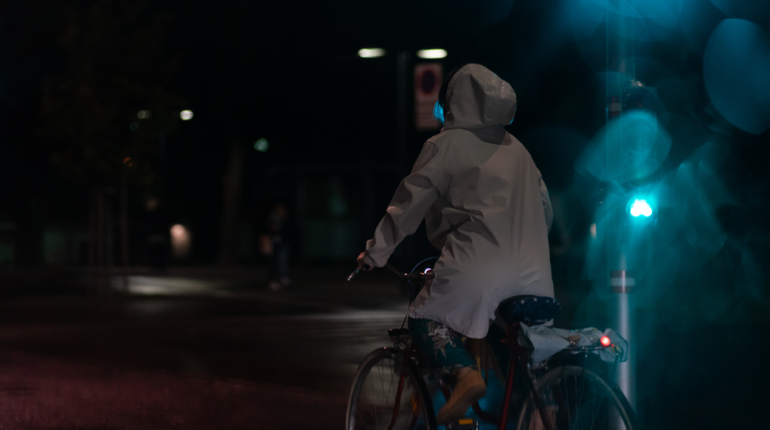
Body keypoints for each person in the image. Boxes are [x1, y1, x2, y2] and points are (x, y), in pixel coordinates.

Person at [356, 64, 553, 424]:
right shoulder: (519, 150)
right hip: (536, 274)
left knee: (425, 319)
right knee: (524, 347)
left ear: (453, 104)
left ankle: (465, 377)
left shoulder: (444, 145)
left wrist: (375, 252)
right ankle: (548, 409)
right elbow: (545, 209)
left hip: (479, 266)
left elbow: (409, 204)